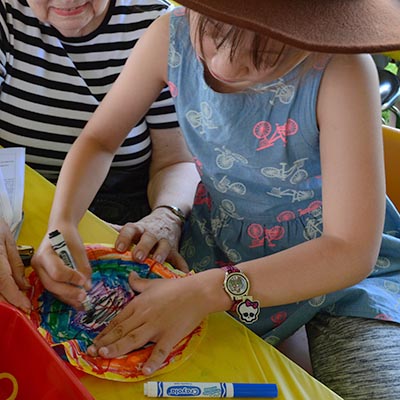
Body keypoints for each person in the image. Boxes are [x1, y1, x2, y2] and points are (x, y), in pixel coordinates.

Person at [33, 1, 400, 398]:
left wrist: (210, 290)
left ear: (318, 36)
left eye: (270, 50)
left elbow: (349, 251)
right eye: (213, 32)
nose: (225, 64)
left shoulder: (341, 69)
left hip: (341, 272)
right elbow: (100, 140)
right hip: (218, 246)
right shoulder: (167, 35)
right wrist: (63, 222)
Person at [0, 0, 199, 312]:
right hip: (14, 214)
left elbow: (177, 160)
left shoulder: (157, 27)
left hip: (121, 225)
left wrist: (167, 214)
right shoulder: (5, 14)